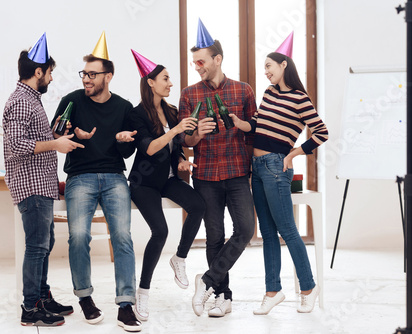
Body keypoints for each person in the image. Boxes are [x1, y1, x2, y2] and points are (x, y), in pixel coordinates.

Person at [50, 32, 141, 332]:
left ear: (108, 76)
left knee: (123, 238)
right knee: (78, 236)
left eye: (92, 74)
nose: (86, 79)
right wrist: (73, 134)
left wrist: (123, 139)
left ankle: (126, 305)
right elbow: (54, 135)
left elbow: (127, 150)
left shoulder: (124, 107)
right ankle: (85, 297)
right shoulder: (72, 101)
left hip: (115, 176)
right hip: (80, 177)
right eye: (84, 74)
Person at [230, 51, 329, 314]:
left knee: (287, 229)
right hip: (257, 167)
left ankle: (308, 288)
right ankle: (273, 291)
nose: (266, 71)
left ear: (284, 65)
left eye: (269, 66)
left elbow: (322, 132)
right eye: (264, 67)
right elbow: (258, 123)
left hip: (276, 166)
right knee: (267, 232)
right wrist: (241, 123)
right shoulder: (269, 93)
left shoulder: (300, 98)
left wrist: (295, 152)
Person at [178, 20, 256, 317]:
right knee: (214, 237)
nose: (197, 67)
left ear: (217, 59)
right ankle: (223, 296)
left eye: (201, 61)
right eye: (194, 62)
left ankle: (207, 281)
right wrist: (196, 135)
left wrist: (241, 124)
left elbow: (254, 132)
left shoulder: (243, 90)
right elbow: (184, 139)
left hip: (237, 172)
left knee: (246, 229)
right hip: (206, 176)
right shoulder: (189, 94)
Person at [3, 33, 82, 327]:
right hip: (32, 186)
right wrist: (55, 145)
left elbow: (32, 139)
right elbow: (16, 145)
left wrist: (57, 136)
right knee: (37, 246)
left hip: (42, 185)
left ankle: (42, 296)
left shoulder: (31, 100)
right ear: (38, 72)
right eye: (49, 73)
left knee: (44, 244)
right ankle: (31, 307)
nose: (50, 78)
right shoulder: (22, 101)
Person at [128, 50, 206, 322]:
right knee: (160, 231)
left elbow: (177, 147)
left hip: (169, 180)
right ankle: (143, 292)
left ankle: (180, 258)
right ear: (150, 82)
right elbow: (149, 148)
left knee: (199, 206)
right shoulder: (137, 114)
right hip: (144, 182)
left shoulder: (172, 112)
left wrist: (183, 159)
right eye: (165, 78)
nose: (170, 83)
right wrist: (174, 131)